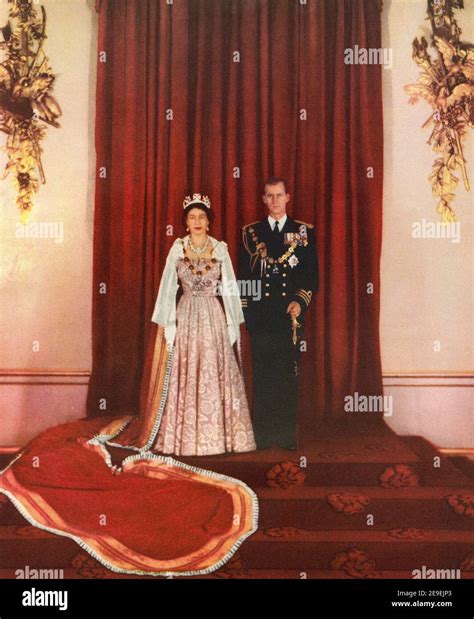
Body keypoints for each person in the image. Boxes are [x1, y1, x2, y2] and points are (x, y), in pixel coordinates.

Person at [150, 193, 256, 456]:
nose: (197, 221)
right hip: (186, 313)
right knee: (187, 369)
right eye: (192, 217)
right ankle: (183, 439)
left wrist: (232, 322)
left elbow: (230, 287)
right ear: (186, 222)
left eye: (202, 217)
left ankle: (216, 438)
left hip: (212, 314)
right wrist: (169, 322)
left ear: (209, 221)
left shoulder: (220, 249)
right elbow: (167, 288)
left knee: (212, 368)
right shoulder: (177, 249)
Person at [239, 177, 319, 450]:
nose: (274, 201)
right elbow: (245, 278)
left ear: (288, 198)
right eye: (269, 196)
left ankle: (285, 435)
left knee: (287, 374)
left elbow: (311, 275)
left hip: (289, 315)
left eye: (279, 195)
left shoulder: (302, 231)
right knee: (263, 375)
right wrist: (248, 314)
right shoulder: (251, 233)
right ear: (264, 199)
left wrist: (300, 301)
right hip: (262, 316)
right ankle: (263, 436)